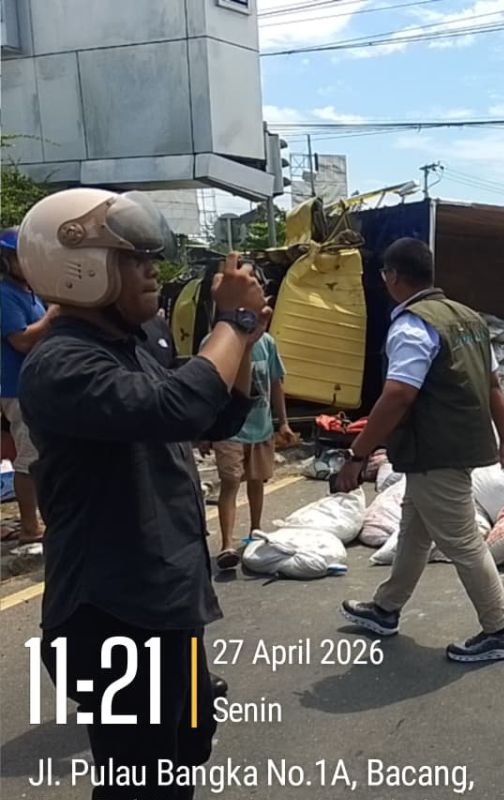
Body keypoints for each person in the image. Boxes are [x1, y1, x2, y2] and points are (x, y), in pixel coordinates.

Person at [17, 188, 268, 799]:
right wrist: (231, 324)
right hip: (111, 614)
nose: (153, 270)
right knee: (142, 784)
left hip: (164, 602)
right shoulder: (61, 363)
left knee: (186, 749)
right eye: (134, 259)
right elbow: (176, 406)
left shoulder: (134, 346)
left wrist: (245, 336)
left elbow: (212, 418)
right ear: (80, 268)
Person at [336, 237, 504, 663]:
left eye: (384, 275)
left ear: (394, 276)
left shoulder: (412, 325)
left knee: (462, 543)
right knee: (414, 532)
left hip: (435, 450)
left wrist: (357, 454)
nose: (384, 282)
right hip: (444, 448)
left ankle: (499, 631)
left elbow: (399, 394)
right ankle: (386, 609)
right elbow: (494, 385)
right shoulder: (468, 318)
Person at [202, 327, 295, 571]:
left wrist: (283, 422)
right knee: (230, 482)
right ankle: (227, 545)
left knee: (257, 480)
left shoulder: (267, 343)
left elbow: (275, 383)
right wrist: (204, 432)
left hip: (260, 426)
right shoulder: (214, 342)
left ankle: (256, 530)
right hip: (228, 430)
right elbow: (205, 390)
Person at [0, 227, 56, 544]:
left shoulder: (29, 291)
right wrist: (51, 319)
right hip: (16, 386)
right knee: (28, 457)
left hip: (34, 383)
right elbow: (20, 340)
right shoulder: (5, 295)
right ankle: (29, 527)